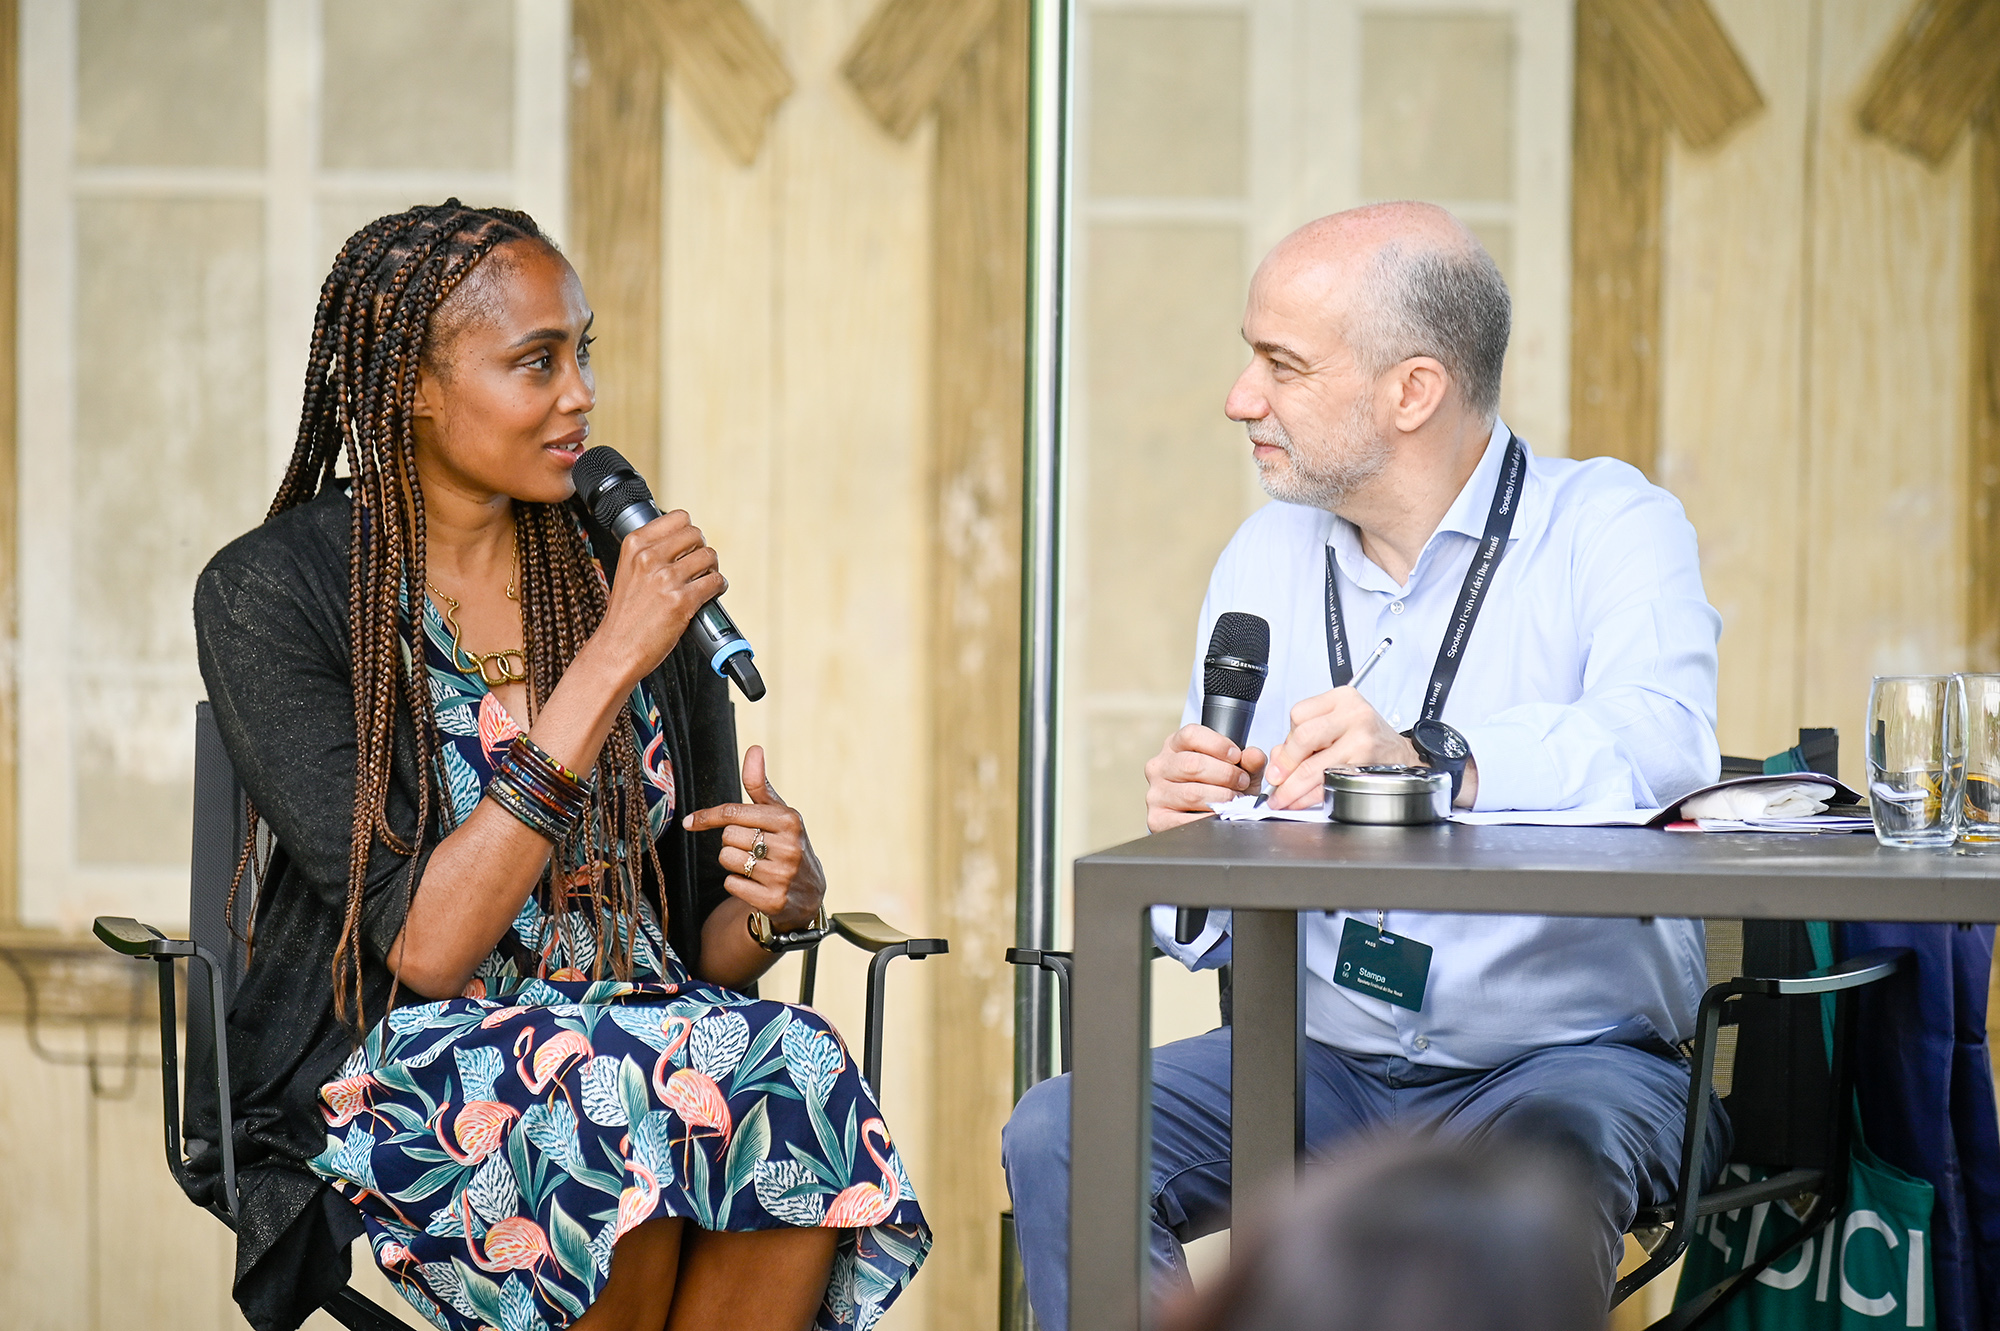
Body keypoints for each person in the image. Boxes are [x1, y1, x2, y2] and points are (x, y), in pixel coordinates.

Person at [191, 202, 928, 1331]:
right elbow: (429, 947)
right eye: (536, 361)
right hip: (398, 1059)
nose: (579, 391)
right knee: (602, 1082)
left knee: (790, 1056)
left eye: (582, 352)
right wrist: (613, 654)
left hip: (640, 1028)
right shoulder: (275, 592)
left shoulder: (612, 572)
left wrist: (780, 905)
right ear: (410, 388)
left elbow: (702, 959)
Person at [1002, 201, 1729, 1328]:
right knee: (1063, 1131)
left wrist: (1430, 757)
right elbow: (1217, 890)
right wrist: (1193, 835)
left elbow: (1661, 742)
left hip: (1563, 1059)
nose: (1240, 398)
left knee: (1551, 1165)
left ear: (1411, 390)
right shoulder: (1261, 553)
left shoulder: (1609, 523)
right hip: (1320, 1056)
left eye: (1279, 364)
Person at [1161, 1134, 1609, 1331]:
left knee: (1551, 1177)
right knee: (1103, 1126)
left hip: (1558, 1048)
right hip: (1328, 1038)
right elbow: (1191, 934)